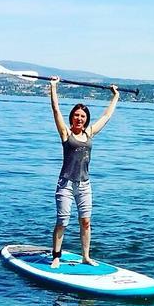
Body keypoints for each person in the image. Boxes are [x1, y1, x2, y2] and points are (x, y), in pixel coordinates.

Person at [50, 77, 119, 268]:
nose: (79, 118)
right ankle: (56, 255)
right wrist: (53, 87)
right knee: (62, 221)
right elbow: (56, 110)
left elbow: (106, 116)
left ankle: (86, 257)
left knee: (86, 222)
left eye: (83, 116)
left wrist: (115, 96)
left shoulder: (89, 133)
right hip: (65, 184)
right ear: (72, 117)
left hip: (84, 185)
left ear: (86, 118)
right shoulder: (66, 133)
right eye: (76, 115)